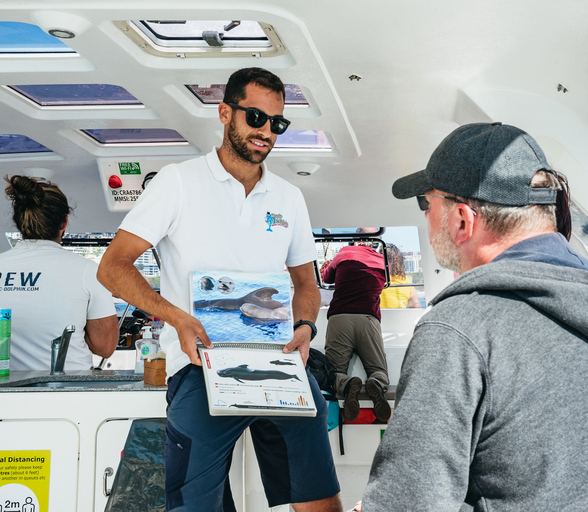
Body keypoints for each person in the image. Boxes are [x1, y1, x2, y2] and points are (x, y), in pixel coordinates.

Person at [362, 122, 588, 511]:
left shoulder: (460, 328)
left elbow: (408, 505)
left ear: (462, 220)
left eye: (426, 204)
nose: (425, 218)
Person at [97, 67, 342, 512]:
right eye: (255, 117)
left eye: (277, 123)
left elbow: (306, 283)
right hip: (198, 365)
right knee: (192, 505)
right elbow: (112, 268)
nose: (266, 131)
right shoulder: (178, 182)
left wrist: (305, 325)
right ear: (225, 113)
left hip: (280, 361)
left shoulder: (288, 197)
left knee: (321, 500)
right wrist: (179, 318)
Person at [0, 175, 118, 371]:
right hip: (69, 390)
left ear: (19, 222)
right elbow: (105, 348)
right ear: (64, 222)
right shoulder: (88, 271)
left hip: (7, 394)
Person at [322, 228, 391, 423]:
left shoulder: (345, 253)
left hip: (340, 318)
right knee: (378, 369)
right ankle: (376, 384)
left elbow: (326, 278)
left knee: (333, 372)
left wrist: (329, 267)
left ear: (355, 240)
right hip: (368, 320)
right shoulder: (381, 261)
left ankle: (347, 383)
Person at [379, 244, 420, 309]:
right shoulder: (406, 281)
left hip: (380, 317)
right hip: (401, 317)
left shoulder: (377, 280)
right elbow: (415, 305)